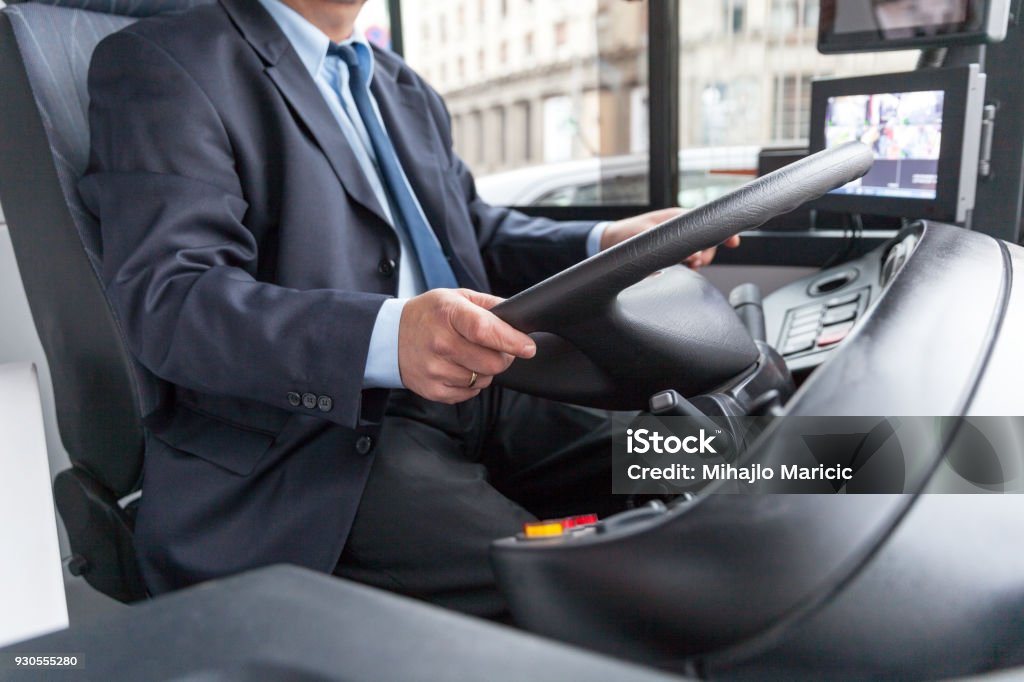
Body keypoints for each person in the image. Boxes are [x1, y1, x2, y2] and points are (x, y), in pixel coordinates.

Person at [80, 0, 739, 619]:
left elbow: (474, 234)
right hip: (325, 445)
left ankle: (834, 493)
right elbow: (173, 299)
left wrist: (604, 241)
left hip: (488, 391)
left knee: (750, 463)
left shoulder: (399, 84)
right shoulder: (165, 63)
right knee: (594, 586)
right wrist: (391, 336)